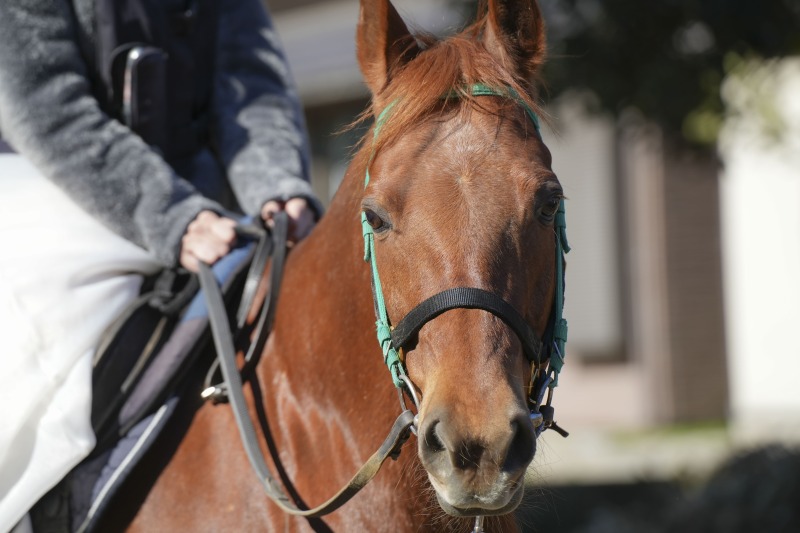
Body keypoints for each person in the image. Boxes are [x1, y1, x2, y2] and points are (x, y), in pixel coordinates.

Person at [0, 0, 322, 530]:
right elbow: (45, 102)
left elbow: (251, 84)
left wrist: (277, 187)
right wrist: (170, 215)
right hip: (60, 192)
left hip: (207, 208)